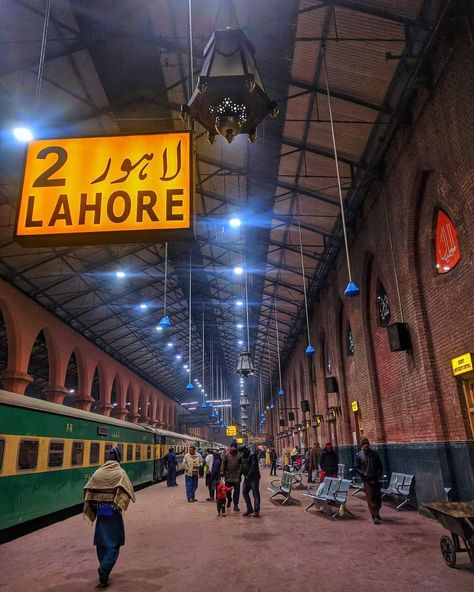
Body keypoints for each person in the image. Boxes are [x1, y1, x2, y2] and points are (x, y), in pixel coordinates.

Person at [83, 446, 135, 588]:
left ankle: (103, 567)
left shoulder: (98, 472)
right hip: (113, 511)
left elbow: (88, 488)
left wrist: (94, 505)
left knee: (101, 540)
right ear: (118, 458)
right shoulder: (120, 472)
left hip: (100, 511)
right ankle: (105, 567)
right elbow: (127, 490)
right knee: (114, 541)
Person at [354, 437, 384, 524]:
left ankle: (377, 511)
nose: (366, 445)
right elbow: (356, 466)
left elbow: (379, 465)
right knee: (371, 498)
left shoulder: (374, 454)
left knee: (378, 498)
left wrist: (378, 473)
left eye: (367, 444)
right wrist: (363, 474)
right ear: (361, 446)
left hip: (375, 478)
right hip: (367, 479)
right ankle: (374, 515)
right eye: (364, 444)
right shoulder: (359, 455)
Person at [221, 439, 243, 511]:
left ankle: (236, 505)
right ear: (230, 447)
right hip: (228, 476)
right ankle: (229, 499)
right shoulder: (226, 455)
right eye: (232, 446)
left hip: (237, 476)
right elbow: (223, 464)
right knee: (228, 491)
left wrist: (242, 472)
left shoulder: (239, 455)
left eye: (235, 447)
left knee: (237, 492)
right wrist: (222, 472)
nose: (233, 448)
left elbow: (242, 465)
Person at [240, 446, 261, 517]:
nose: (240, 454)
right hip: (247, 478)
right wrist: (239, 476)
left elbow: (253, 466)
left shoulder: (252, 455)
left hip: (254, 477)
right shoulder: (243, 456)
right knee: (244, 492)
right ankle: (249, 509)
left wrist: (248, 475)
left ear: (244, 451)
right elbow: (241, 467)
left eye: (241, 452)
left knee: (255, 493)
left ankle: (256, 510)